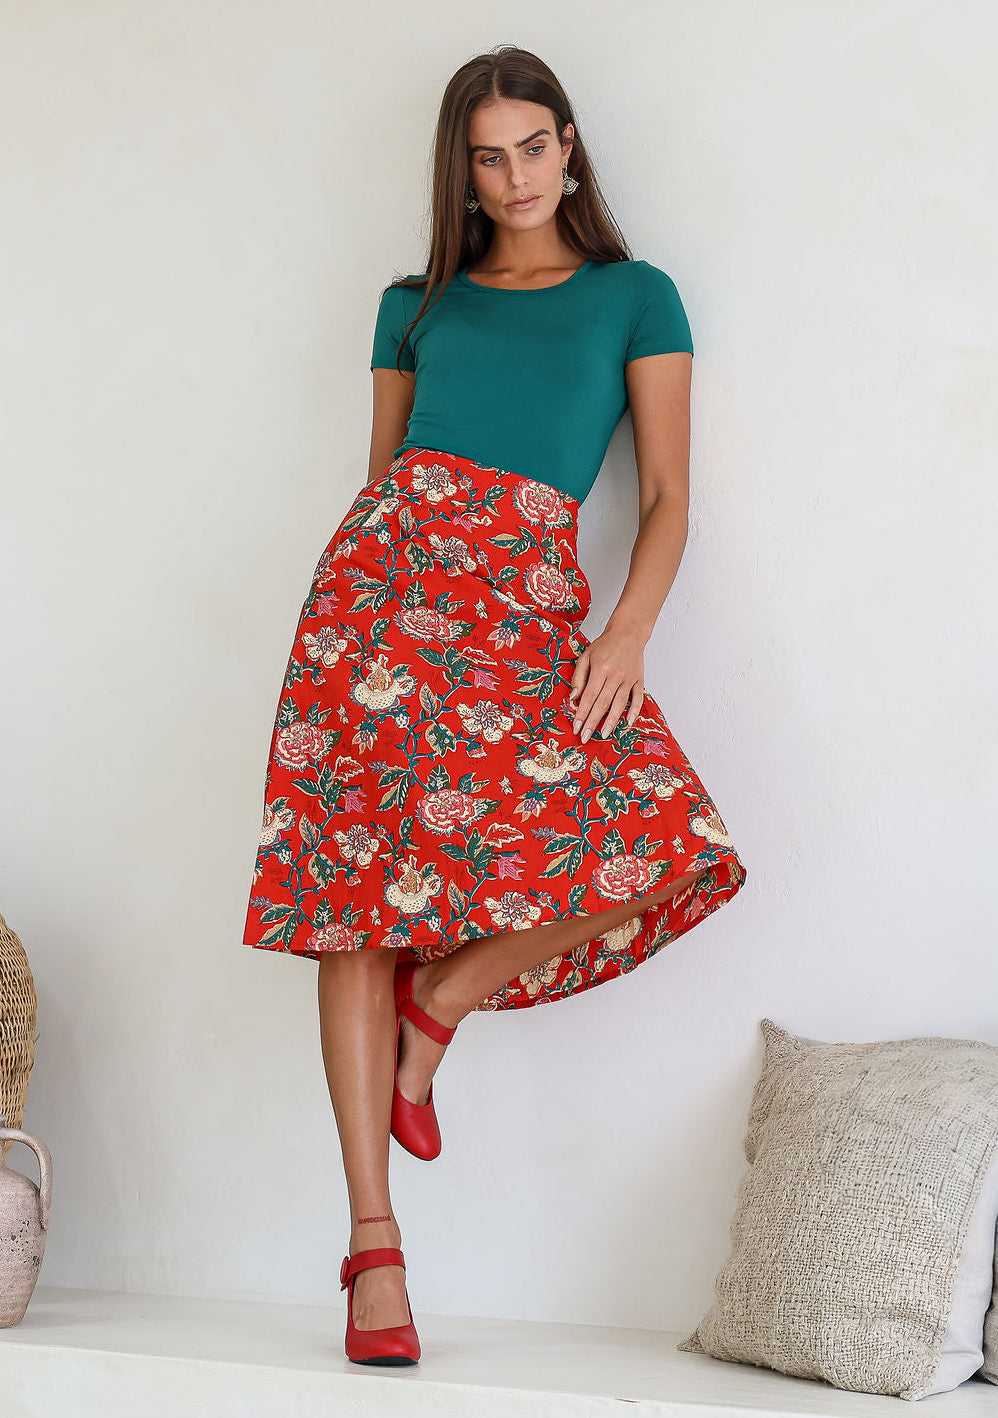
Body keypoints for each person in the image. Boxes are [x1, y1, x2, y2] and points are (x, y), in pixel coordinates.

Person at [241, 45, 747, 1365]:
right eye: (486, 154)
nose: (514, 175)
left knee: (659, 843)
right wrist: (382, 606)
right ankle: (372, 1248)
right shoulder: (413, 304)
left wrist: (624, 633)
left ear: (569, 148)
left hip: (525, 602)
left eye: (533, 145)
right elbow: (382, 475)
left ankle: (440, 1006)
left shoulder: (636, 296)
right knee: (351, 906)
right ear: (458, 170)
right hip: (375, 597)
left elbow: (674, 496)